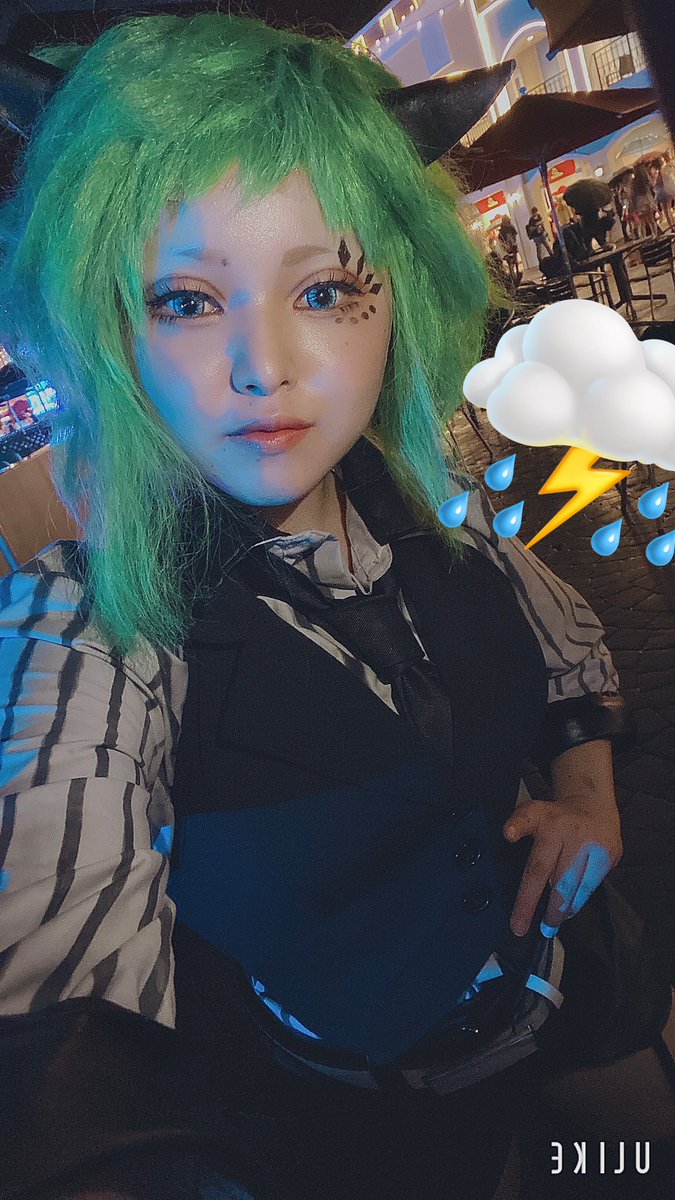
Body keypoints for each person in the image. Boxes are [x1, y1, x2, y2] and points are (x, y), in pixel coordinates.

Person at [0, 14, 673, 1200]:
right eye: (184, 300)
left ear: (396, 294)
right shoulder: (94, 627)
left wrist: (586, 796)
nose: (264, 366)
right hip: (371, 1127)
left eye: (323, 288)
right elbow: (59, 1013)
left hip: (571, 1007)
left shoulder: (429, 519)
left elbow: (569, 648)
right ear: (107, 326)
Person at [629, 161, 659, 238]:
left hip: (639, 202)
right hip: (647, 199)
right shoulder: (645, 178)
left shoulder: (633, 182)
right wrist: (654, 179)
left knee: (642, 223)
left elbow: (632, 195)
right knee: (651, 220)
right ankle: (655, 235)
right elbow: (652, 185)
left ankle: (644, 238)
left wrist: (633, 207)